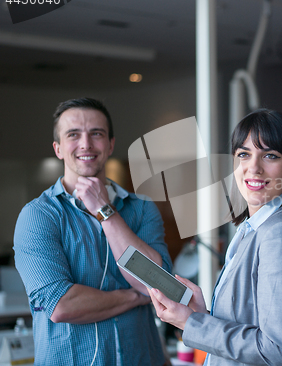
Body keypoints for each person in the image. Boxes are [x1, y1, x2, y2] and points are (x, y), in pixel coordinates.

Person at [148, 109, 282, 365]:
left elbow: (281, 352)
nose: (254, 167)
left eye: (270, 155)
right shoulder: (252, 228)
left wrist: (191, 323)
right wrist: (200, 314)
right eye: (244, 154)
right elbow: (246, 324)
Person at [13, 98, 172, 366]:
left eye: (96, 134)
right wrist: (136, 296)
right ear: (58, 148)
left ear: (110, 144)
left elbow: (159, 285)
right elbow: (61, 305)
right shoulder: (38, 215)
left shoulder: (142, 209)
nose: (86, 144)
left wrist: (104, 210)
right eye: (73, 135)